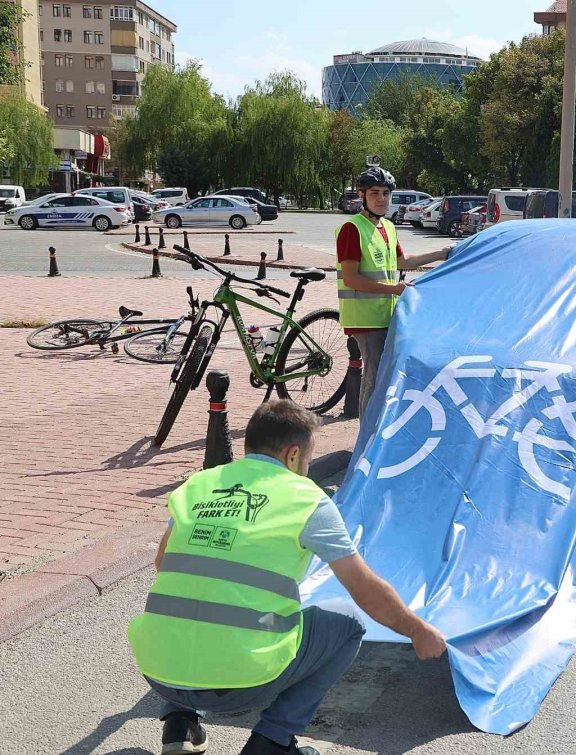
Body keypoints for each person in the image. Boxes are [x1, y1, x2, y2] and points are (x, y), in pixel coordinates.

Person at [128, 400, 447, 755]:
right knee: (349, 623)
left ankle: (180, 724)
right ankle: (273, 740)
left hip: (158, 671)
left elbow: (163, 562)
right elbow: (363, 587)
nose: (307, 466)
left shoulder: (198, 485)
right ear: (293, 454)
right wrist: (417, 630)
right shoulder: (305, 499)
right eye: (309, 458)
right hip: (241, 682)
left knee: (195, 598)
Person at [336, 166, 454, 420]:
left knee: (384, 376)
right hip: (365, 318)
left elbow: (403, 261)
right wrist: (394, 289)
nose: (381, 199)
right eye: (374, 193)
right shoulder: (352, 229)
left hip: (385, 315)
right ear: (362, 195)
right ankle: (368, 434)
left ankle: (377, 429)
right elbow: (351, 278)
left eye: (386, 193)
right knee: (374, 377)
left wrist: (442, 254)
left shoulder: (387, 226)